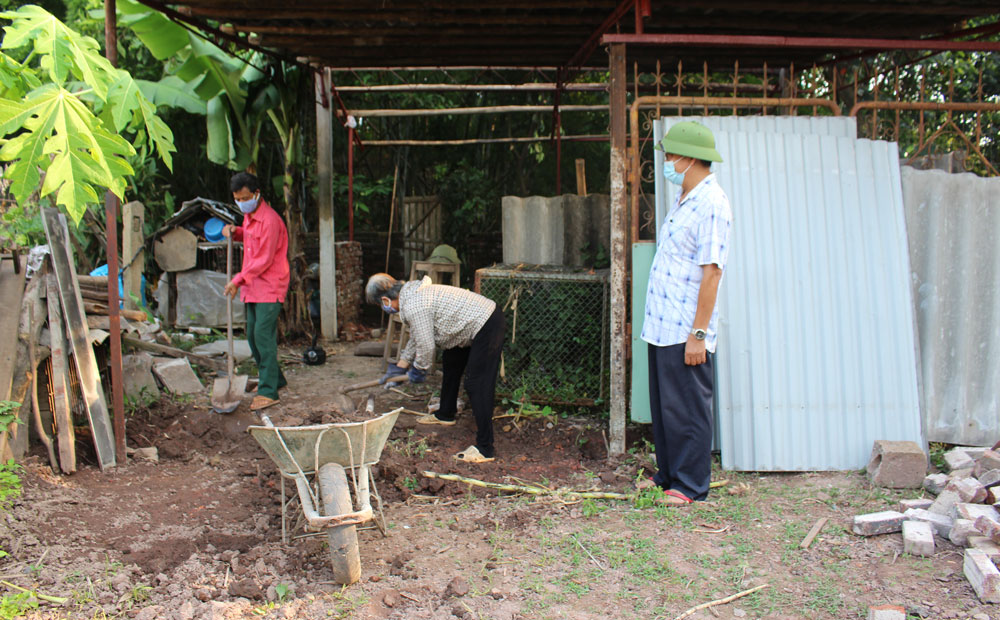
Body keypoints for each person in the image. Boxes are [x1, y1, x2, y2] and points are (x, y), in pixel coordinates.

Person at [642, 121, 732, 506]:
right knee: (667, 410)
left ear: (689, 157)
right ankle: (669, 477)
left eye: (670, 154)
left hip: (684, 328)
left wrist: (699, 333)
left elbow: (711, 272)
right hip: (662, 325)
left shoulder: (712, 203)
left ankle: (691, 485)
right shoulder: (684, 198)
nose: (667, 160)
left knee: (690, 409)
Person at [366, 273, 504, 463]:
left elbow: (426, 346)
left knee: (476, 384)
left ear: (385, 299)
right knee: (451, 362)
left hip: (486, 323)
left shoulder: (414, 305)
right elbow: (418, 335)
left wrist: (419, 369)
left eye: (381, 305)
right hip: (468, 325)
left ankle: (485, 448)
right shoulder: (412, 295)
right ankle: (445, 414)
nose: (384, 308)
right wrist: (400, 366)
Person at [222, 171, 290, 411]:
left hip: (269, 286)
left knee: (263, 337)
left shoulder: (270, 220)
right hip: (253, 287)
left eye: (245, 197)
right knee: (252, 337)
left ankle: (269, 391)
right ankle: (274, 379)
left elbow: (263, 259)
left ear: (257, 193)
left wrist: (237, 280)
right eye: (237, 199)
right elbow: (252, 239)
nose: (241, 202)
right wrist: (236, 232)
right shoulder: (250, 216)